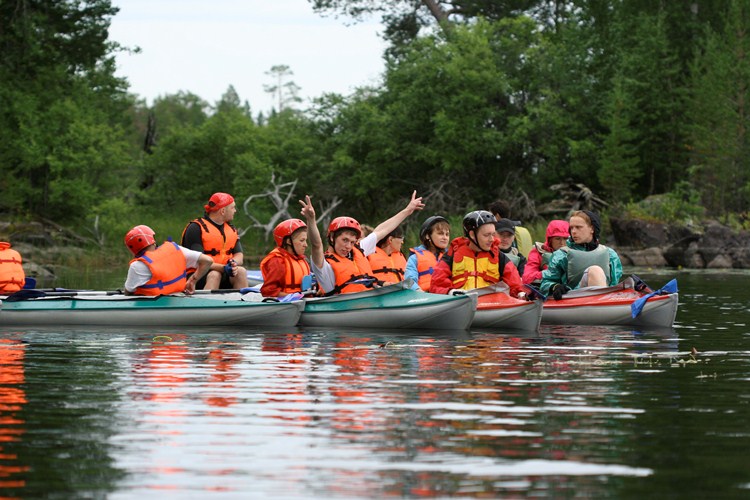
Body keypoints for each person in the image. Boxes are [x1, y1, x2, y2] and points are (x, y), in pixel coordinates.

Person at [305, 191, 425, 295]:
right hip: (345, 306)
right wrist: (311, 220)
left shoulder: (358, 250)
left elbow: (382, 230)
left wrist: (407, 210)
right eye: (344, 240)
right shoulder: (324, 265)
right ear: (332, 237)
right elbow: (316, 245)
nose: (348, 246)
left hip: (370, 303)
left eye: (352, 242)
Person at [430, 210, 528, 299]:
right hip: (462, 304)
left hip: (492, 306)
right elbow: (437, 284)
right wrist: (450, 292)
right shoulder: (452, 254)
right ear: (472, 234)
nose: (492, 239)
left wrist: (521, 294)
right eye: (486, 235)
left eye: (493, 234)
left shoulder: (499, 256)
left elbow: (516, 285)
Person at [540, 210, 623, 300]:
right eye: (571, 228)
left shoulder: (610, 254)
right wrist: (555, 287)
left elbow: (614, 284)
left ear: (592, 229)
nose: (573, 232)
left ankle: (603, 304)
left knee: (596, 271)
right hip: (573, 298)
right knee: (595, 270)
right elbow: (545, 283)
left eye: (578, 227)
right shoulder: (561, 255)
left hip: (605, 297)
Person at [181, 192, 248, 290]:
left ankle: (242, 299)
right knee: (215, 274)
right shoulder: (195, 228)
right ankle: (206, 300)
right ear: (223, 211)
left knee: (241, 272)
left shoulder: (231, 229)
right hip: (199, 274)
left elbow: (239, 256)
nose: (235, 211)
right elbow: (199, 261)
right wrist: (223, 268)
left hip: (225, 270)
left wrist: (233, 263)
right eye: (233, 207)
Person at [123, 225, 213, 296]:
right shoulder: (176, 249)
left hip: (154, 306)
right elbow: (207, 261)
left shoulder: (137, 266)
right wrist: (193, 280)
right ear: (153, 241)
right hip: (180, 299)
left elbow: (128, 292)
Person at [259, 218, 312, 297]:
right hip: (288, 302)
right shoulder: (278, 261)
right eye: (302, 240)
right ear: (289, 241)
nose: (306, 245)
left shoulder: (301, 259)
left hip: (304, 299)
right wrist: (294, 297)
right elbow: (268, 291)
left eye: (305, 240)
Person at [405, 215, 451, 291]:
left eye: (447, 234)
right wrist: (419, 292)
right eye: (440, 233)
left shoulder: (451, 257)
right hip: (424, 296)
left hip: (448, 295)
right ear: (427, 236)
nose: (445, 237)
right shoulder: (414, 258)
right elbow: (409, 281)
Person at [522, 220, 569, 285]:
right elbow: (527, 278)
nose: (562, 243)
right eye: (557, 239)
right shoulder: (538, 252)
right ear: (550, 240)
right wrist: (550, 272)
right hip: (545, 289)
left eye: (565, 238)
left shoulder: (575, 251)